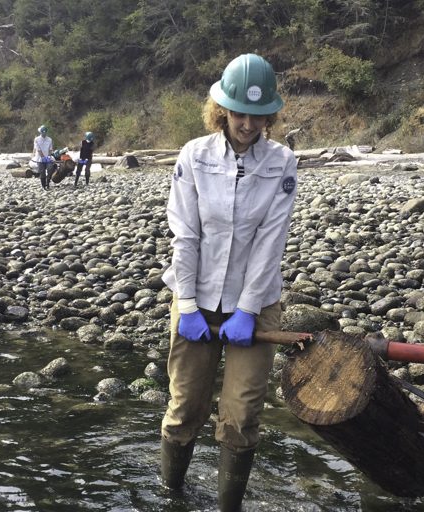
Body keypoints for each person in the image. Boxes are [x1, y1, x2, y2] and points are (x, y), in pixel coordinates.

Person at [159, 53, 297, 512]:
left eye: (258, 116)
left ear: (269, 116)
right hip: (196, 296)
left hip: (254, 306)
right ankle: (170, 498)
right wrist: (188, 302)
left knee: (240, 417)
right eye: (240, 113)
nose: (248, 124)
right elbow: (186, 234)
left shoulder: (282, 163)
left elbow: (270, 242)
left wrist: (248, 308)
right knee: (184, 410)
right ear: (222, 110)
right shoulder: (193, 156)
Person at [33, 124, 53, 190]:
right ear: (40, 132)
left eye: (45, 132)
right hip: (39, 158)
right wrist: (43, 157)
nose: (44, 134)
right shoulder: (36, 139)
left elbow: (50, 149)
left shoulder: (49, 139)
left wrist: (49, 157)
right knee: (42, 172)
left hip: (48, 158)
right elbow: (38, 150)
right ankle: (43, 185)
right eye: (42, 132)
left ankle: (48, 182)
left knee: (50, 169)